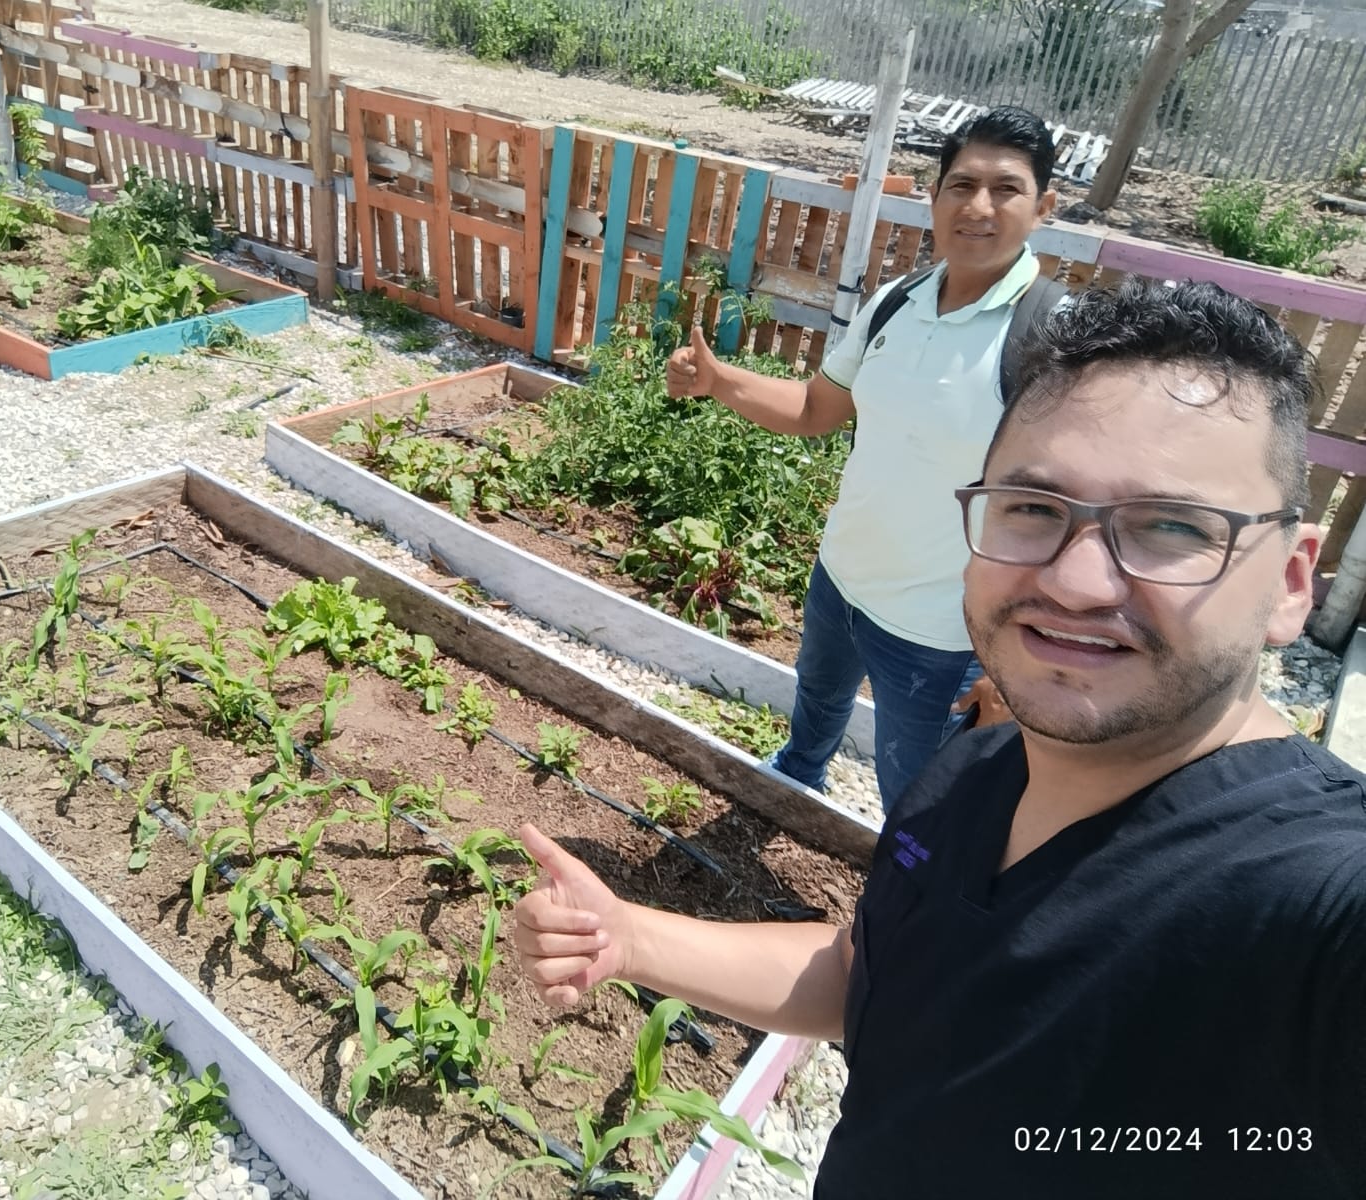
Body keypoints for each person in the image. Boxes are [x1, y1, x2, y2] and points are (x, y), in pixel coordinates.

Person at [518, 279, 1366, 1196]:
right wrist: (627, 938)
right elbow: (867, 972)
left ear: (1290, 582)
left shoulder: (1311, 903)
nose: (1076, 582)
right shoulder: (971, 771)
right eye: (1033, 508)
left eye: (1169, 526)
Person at [668, 106, 1064, 810]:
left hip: (940, 632)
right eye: (961, 185)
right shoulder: (896, 302)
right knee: (815, 706)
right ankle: (797, 781)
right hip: (841, 582)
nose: (978, 207)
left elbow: (1073, 514)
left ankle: (903, 880)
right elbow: (815, 409)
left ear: (1043, 208)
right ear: (934, 197)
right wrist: (718, 381)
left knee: (918, 797)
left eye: (1005, 189)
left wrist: (1019, 661)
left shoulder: (1052, 338)